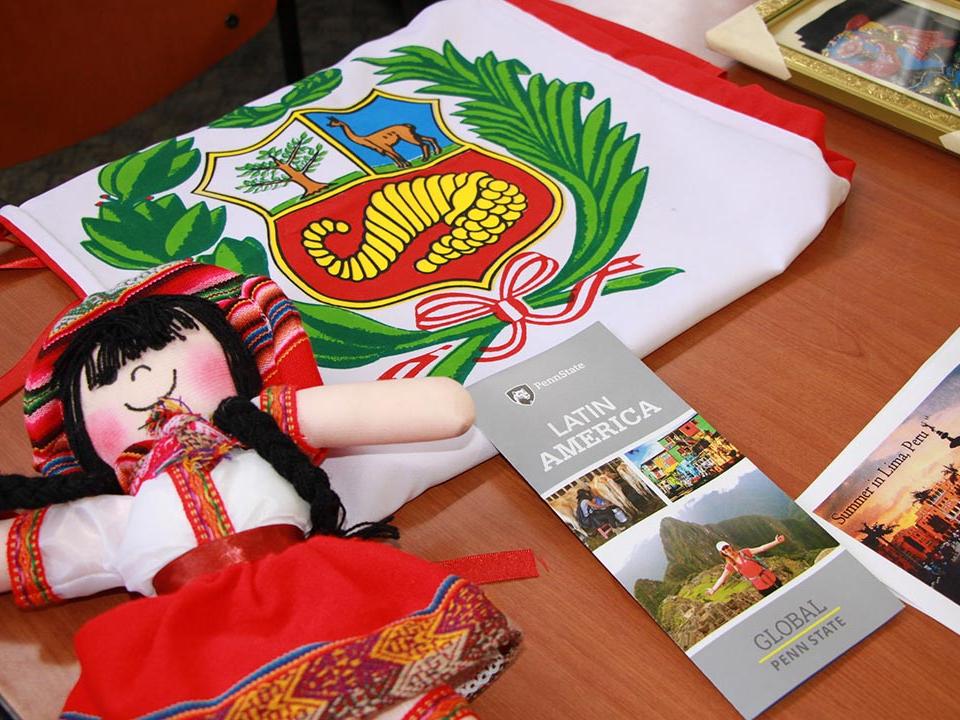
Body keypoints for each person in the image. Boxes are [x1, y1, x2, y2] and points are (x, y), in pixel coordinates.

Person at [0, 261, 516, 720]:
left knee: (387, 689)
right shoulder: (112, 512)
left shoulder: (261, 432)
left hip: (314, 597)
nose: (142, 380)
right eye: (111, 379)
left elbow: (447, 410)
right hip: (198, 653)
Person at [706, 535, 787, 598]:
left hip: (770, 577)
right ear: (722, 552)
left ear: (730, 546)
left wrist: (776, 542)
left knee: (785, 594)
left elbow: (761, 548)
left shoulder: (744, 552)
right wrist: (713, 589)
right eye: (723, 549)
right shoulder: (730, 565)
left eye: (726, 547)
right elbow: (722, 578)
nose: (726, 549)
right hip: (761, 586)